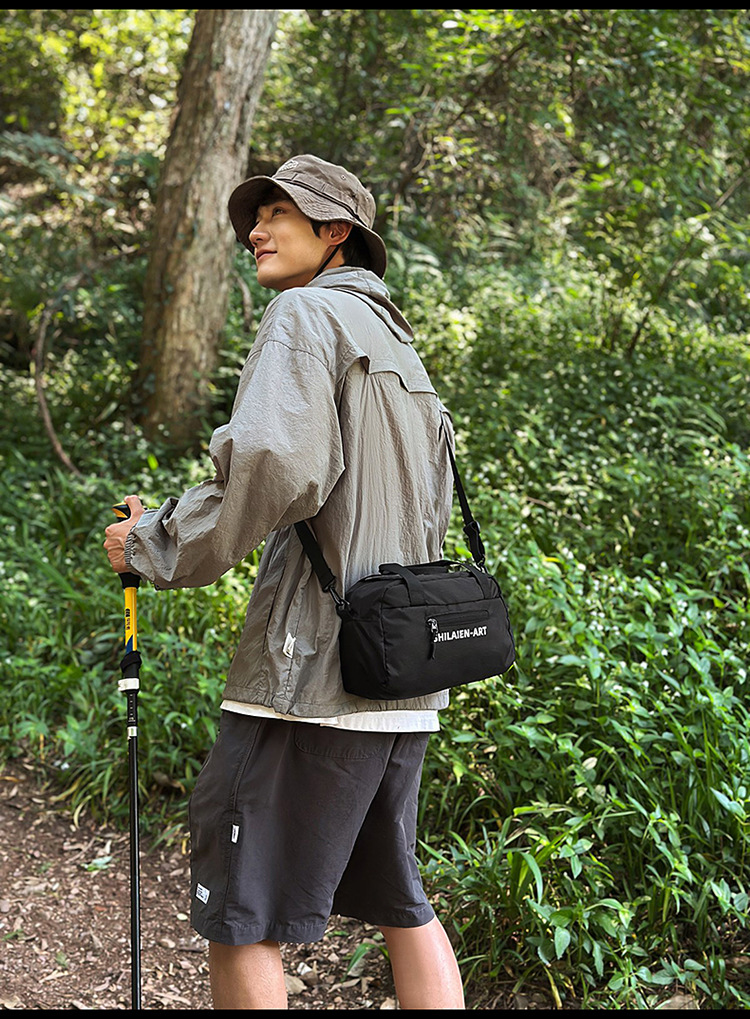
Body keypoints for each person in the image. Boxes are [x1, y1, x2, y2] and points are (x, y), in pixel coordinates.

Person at [104, 153, 465, 1010]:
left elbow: (272, 466)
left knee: (242, 908)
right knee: (400, 899)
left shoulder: (306, 314)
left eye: (278, 214)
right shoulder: (397, 342)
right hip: (404, 673)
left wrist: (151, 542)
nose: (256, 232)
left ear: (335, 232)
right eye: (254, 218)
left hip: (311, 676)